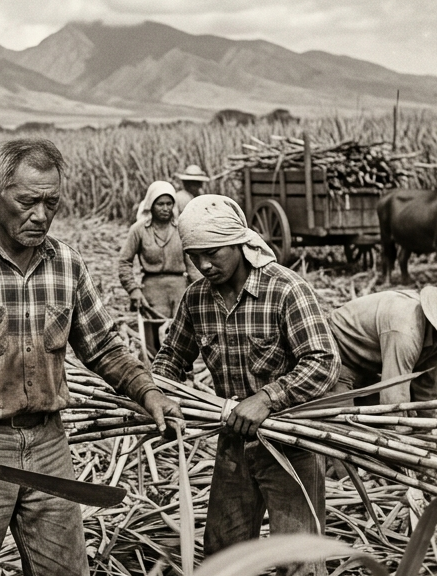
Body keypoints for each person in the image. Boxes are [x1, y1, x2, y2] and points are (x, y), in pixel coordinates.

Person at [0, 138, 182, 575]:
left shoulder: (66, 264)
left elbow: (103, 345)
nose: (40, 215)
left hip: (49, 444)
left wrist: (148, 392)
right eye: (28, 202)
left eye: (51, 203)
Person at [152, 194, 339, 576]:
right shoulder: (196, 299)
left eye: (213, 253)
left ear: (239, 242)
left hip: (291, 444)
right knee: (224, 555)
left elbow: (324, 361)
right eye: (194, 256)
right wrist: (158, 394)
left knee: (298, 562)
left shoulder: (285, 289)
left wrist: (268, 398)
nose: (204, 265)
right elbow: (171, 357)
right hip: (234, 441)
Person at [328, 284, 437, 410]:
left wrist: (427, 435)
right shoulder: (406, 327)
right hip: (335, 360)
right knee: (348, 427)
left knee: (382, 418)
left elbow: (426, 395)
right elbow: (393, 399)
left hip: (367, 371)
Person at [118, 181, 199, 356]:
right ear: (151, 205)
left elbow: (193, 266)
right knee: (153, 345)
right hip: (152, 293)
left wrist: (201, 291)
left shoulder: (182, 229)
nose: (165, 208)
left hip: (179, 291)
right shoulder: (139, 230)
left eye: (169, 204)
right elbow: (124, 262)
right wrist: (133, 289)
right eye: (160, 204)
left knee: (181, 341)